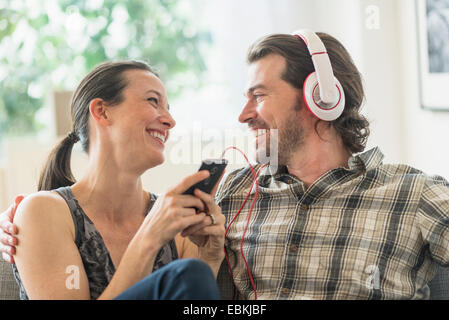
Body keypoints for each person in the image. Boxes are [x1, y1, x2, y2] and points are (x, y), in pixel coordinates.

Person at [3, 31, 449, 300]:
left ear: (321, 97)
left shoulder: (413, 196)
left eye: (258, 95)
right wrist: (20, 225)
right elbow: (185, 283)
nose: (243, 115)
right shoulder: (230, 195)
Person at [0, 60, 225, 300]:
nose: (170, 120)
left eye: (168, 107)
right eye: (153, 101)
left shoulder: (178, 227)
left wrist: (210, 258)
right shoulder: (42, 211)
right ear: (102, 111)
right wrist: (149, 238)